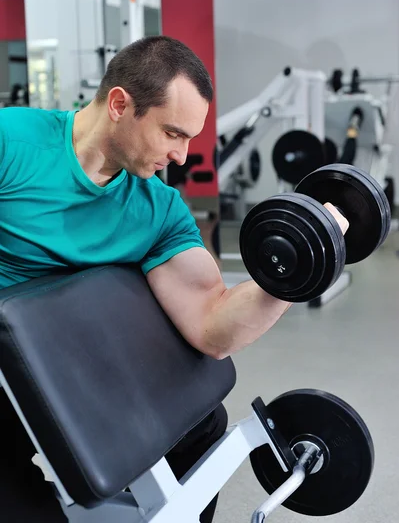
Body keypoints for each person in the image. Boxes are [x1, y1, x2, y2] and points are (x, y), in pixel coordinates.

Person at [0, 36, 348, 522]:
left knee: (201, 427)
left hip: (73, 368)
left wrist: (296, 273)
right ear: (121, 104)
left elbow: (211, 324)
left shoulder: (158, 209)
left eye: (190, 138)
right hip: (7, 377)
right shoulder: (11, 144)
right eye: (172, 134)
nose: (182, 156)